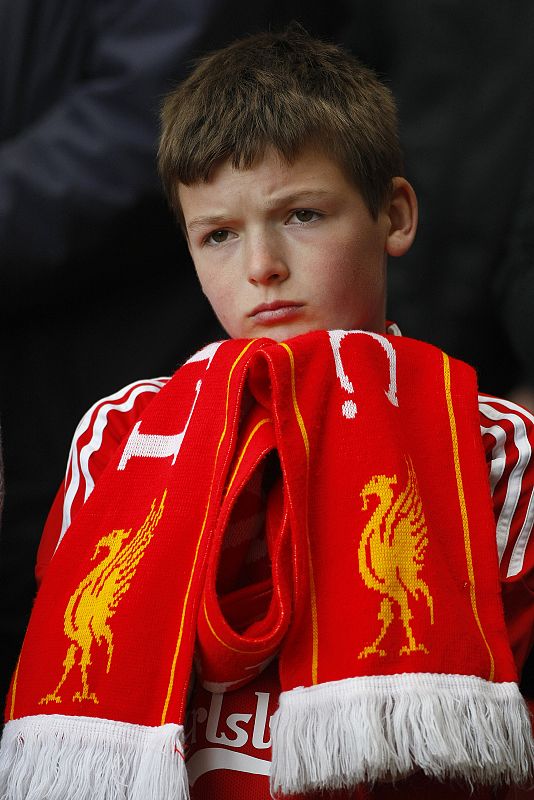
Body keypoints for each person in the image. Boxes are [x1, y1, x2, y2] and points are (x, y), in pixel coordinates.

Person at [1, 26, 533, 800]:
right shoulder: (117, 436)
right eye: (218, 234)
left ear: (394, 216)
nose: (261, 268)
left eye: (302, 216)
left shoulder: (492, 446)